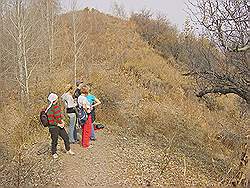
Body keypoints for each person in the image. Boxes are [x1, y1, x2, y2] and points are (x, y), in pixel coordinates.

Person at [46, 93, 75, 159]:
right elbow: (51, 121)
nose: (57, 99)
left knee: (66, 137)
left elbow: (59, 116)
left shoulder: (56, 106)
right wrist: (59, 124)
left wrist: (62, 121)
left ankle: (68, 150)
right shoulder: (49, 109)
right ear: (54, 100)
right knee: (54, 140)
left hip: (60, 126)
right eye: (56, 98)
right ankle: (54, 153)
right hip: (53, 127)